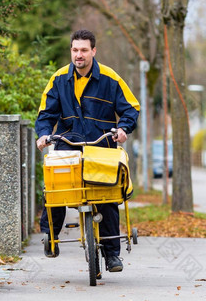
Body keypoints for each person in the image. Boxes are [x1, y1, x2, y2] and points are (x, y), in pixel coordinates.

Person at [35, 29, 140, 272]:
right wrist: (43, 134)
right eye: (74, 50)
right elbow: (45, 113)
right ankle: (50, 236)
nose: (78, 55)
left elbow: (131, 108)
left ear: (93, 51)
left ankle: (112, 254)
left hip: (101, 145)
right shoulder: (59, 79)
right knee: (56, 186)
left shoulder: (110, 78)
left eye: (83, 50)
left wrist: (123, 129)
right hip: (68, 142)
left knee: (109, 196)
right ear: (70, 50)